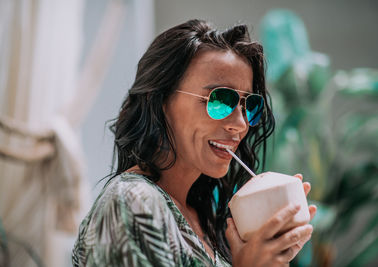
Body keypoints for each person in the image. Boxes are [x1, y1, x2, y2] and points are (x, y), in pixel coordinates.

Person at [72, 19, 317, 267]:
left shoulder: (204, 217)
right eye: (220, 99)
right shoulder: (132, 200)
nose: (241, 124)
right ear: (160, 101)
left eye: (249, 106)